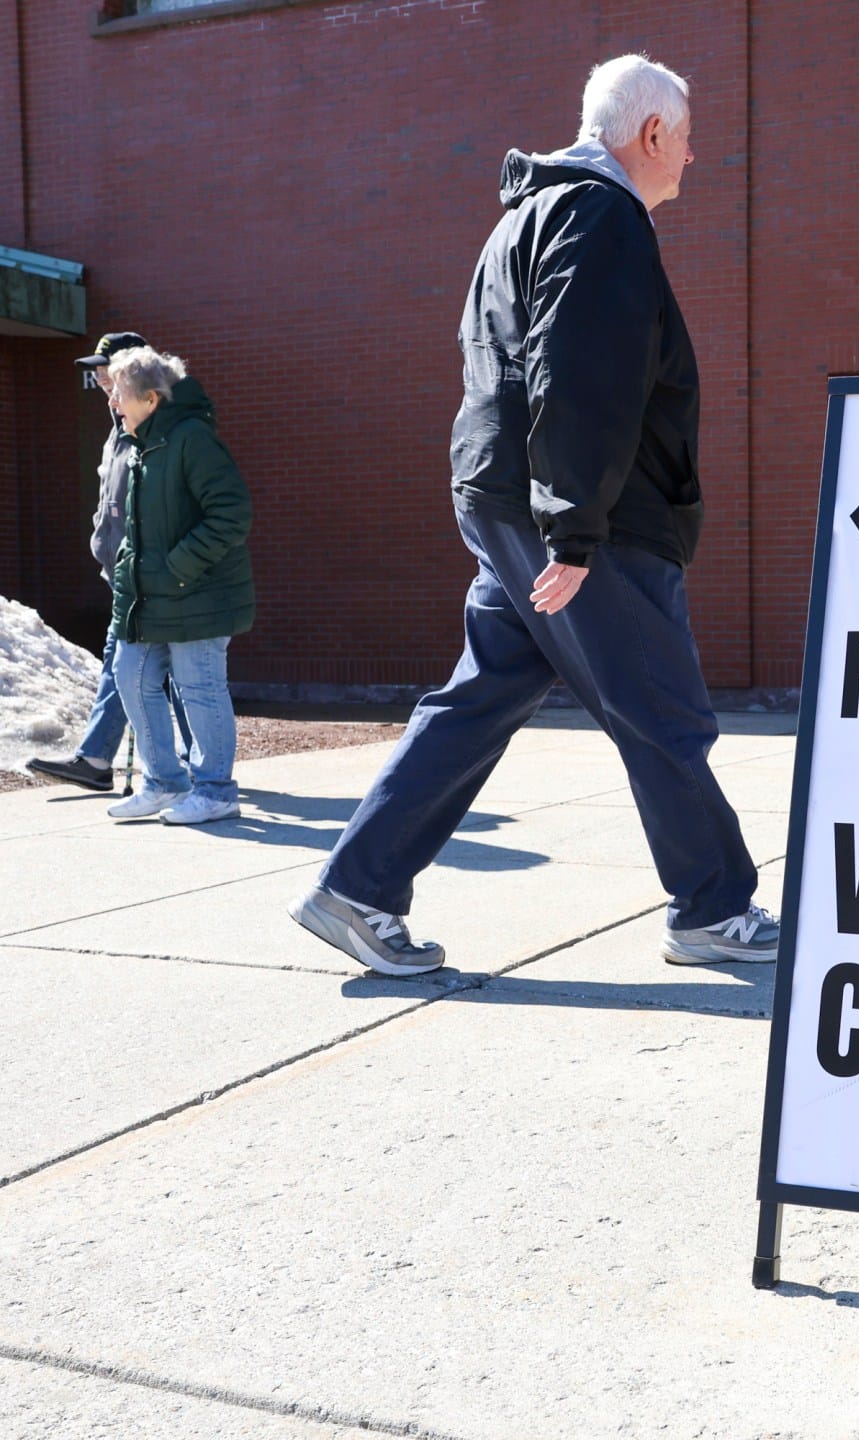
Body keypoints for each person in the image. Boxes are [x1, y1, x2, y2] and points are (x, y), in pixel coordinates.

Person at [288, 53, 777, 979]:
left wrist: (541, 514)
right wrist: (576, 528)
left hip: (512, 502)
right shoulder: (603, 216)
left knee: (481, 698)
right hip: (587, 518)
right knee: (660, 708)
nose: (692, 161)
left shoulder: (522, 220)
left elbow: (503, 368)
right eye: (688, 141)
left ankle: (359, 888)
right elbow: (580, 374)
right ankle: (714, 908)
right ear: (652, 133)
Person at [25, 331, 189, 792]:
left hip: (147, 573)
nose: (99, 378)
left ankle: (99, 759)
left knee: (137, 665)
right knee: (152, 668)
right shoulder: (117, 428)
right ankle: (191, 759)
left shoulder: (152, 427)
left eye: (106, 368)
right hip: (123, 571)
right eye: (97, 371)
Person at [101, 348, 253, 825]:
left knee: (200, 688)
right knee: (131, 676)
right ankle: (164, 782)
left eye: (121, 394)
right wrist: (132, 575)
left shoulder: (190, 438)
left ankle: (215, 791)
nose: (114, 404)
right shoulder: (143, 444)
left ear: (150, 398)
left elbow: (231, 514)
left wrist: (178, 565)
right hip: (152, 599)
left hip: (198, 595)